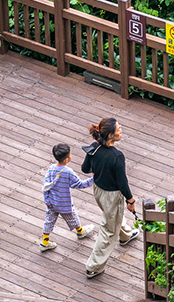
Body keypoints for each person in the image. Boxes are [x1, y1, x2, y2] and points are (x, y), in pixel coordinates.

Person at [81, 117, 139, 278]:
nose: (121, 130)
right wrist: (130, 200)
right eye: (119, 129)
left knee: (111, 216)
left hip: (98, 191)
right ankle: (93, 266)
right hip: (112, 196)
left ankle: (126, 235)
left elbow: (85, 168)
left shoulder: (94, 148)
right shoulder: (117, 156)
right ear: (111, 135)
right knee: (108, 230)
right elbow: (122, 182)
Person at [39, 142, 95, 252]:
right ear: (66, 159)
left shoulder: (51, 169)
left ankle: (45, 242)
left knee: (49, 221)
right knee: (73, 218)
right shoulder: (68, 172)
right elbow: (80, 184)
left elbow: (45, 187)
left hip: (52, 203)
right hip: (64, 204)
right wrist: (94, 179)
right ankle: (80, 232)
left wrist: (47, 201)